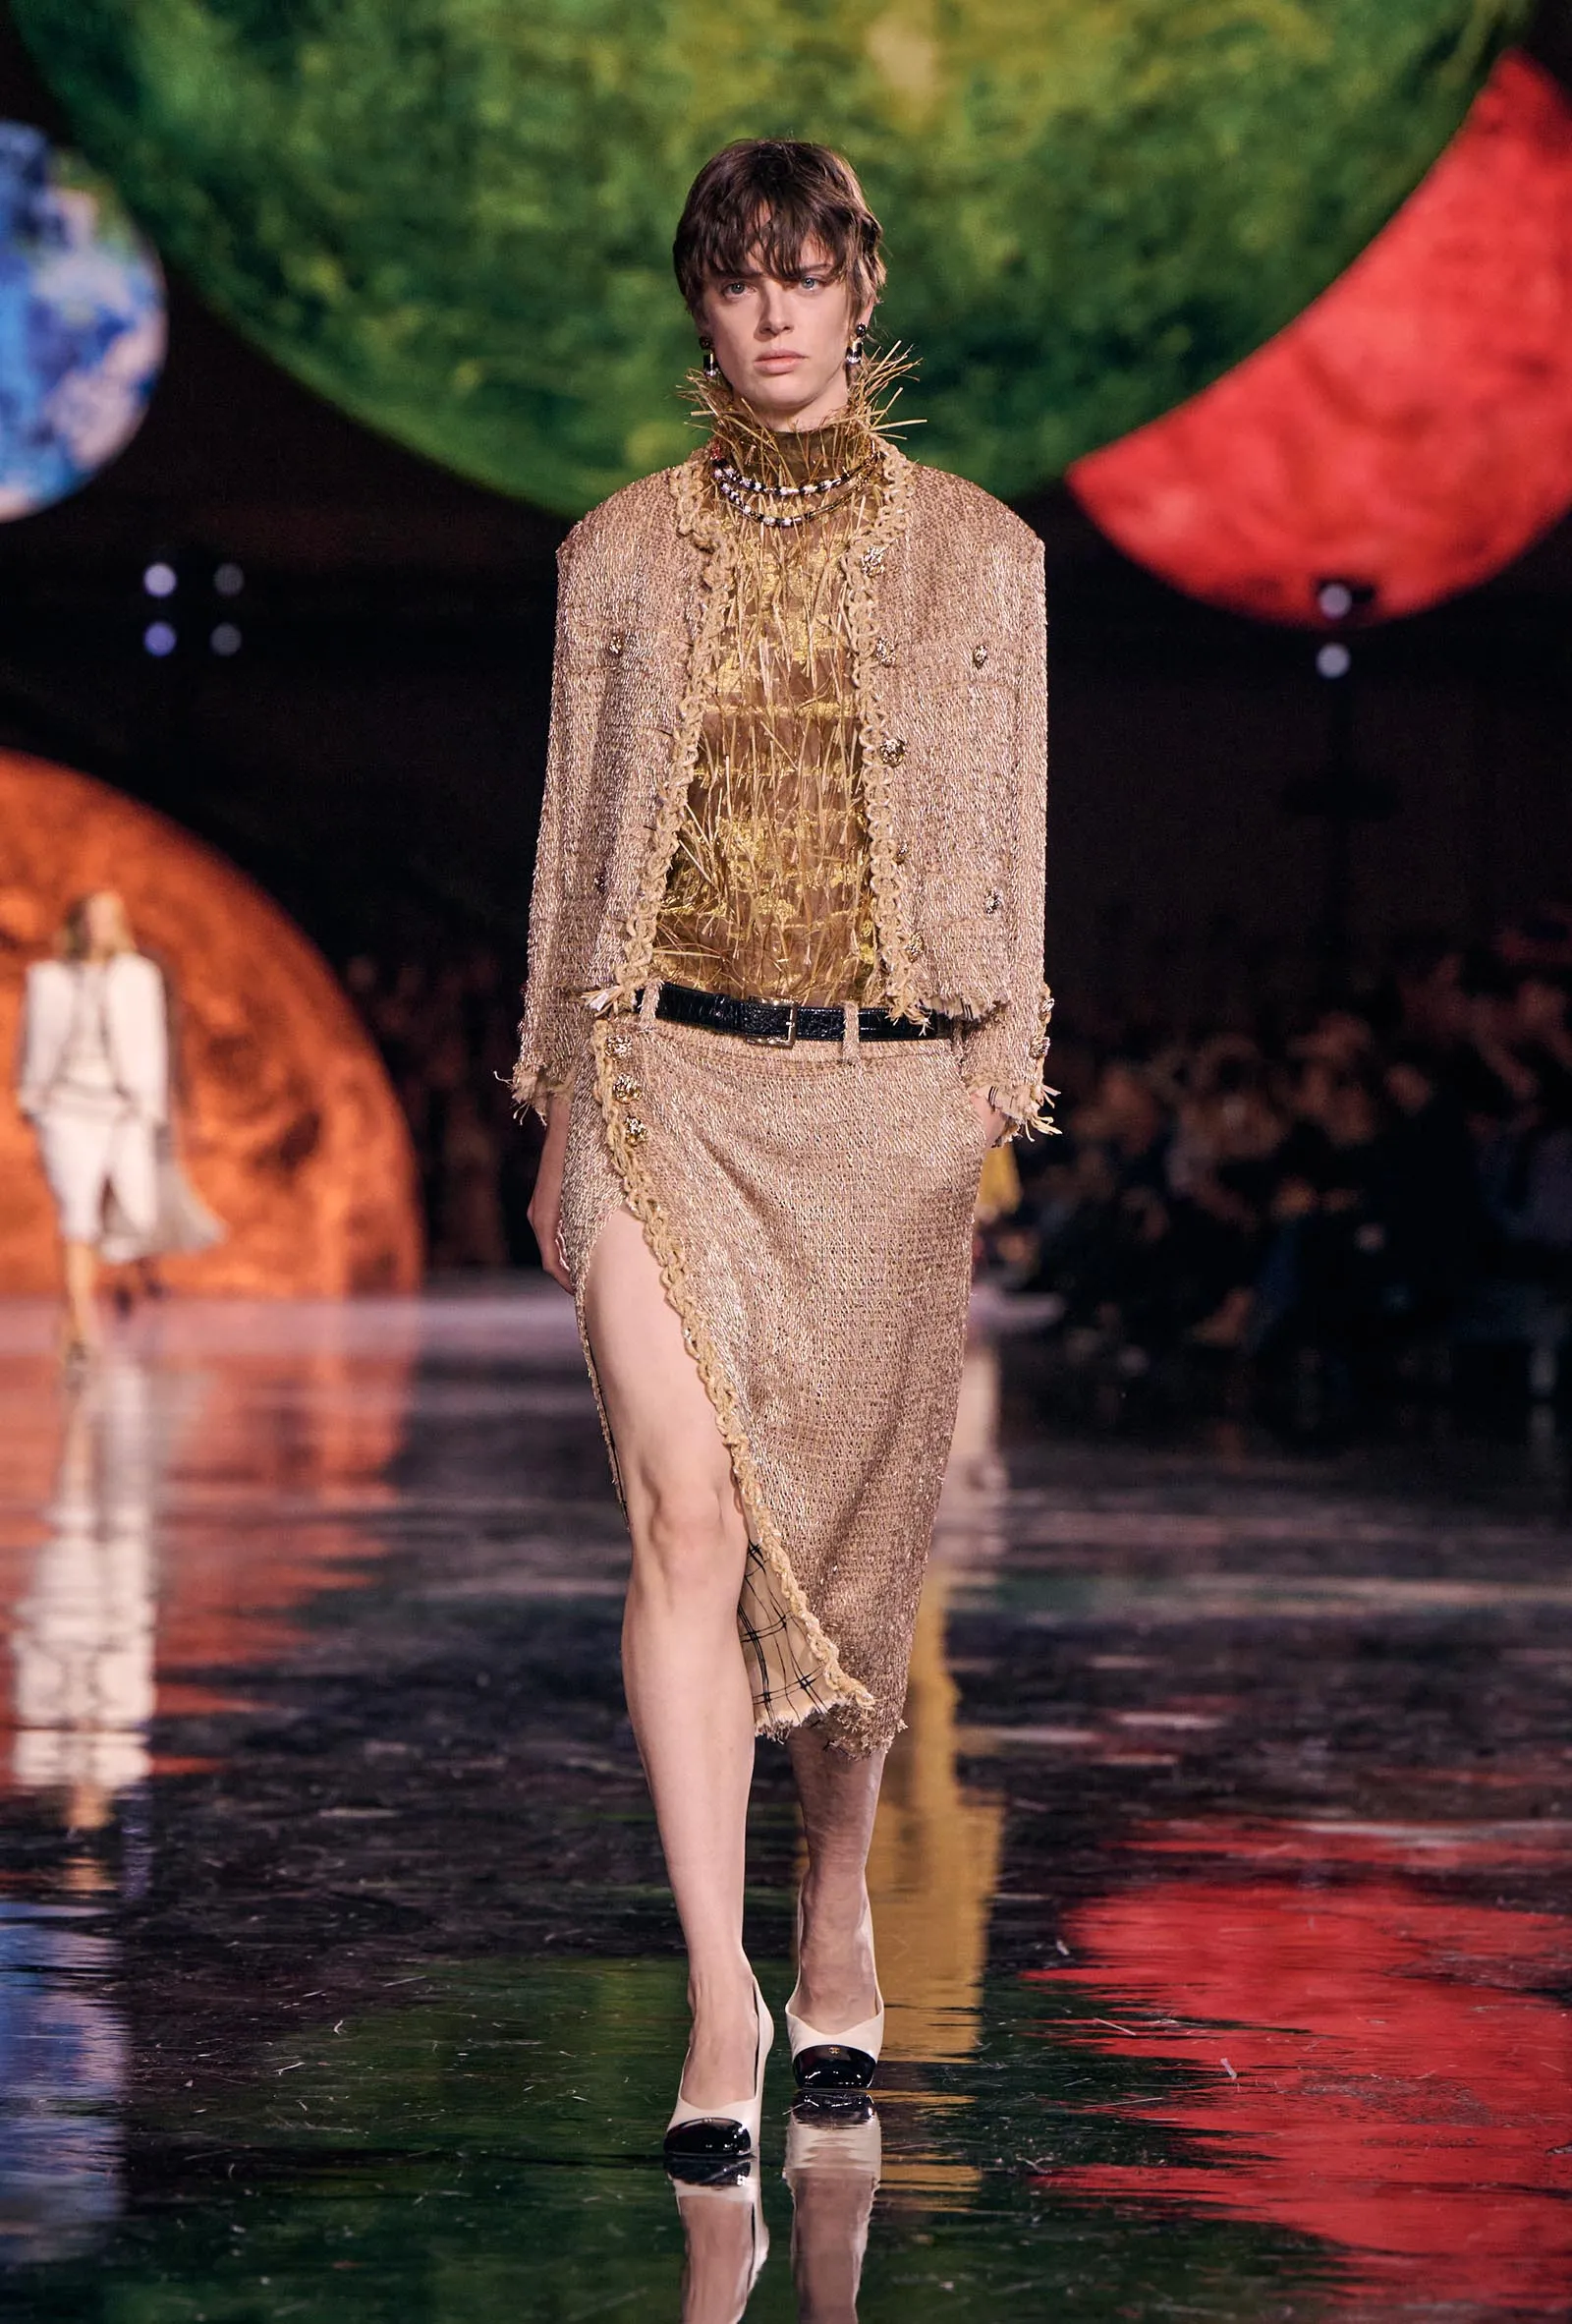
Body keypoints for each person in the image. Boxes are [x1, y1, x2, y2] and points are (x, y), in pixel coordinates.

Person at [516, 140, 1051, 2170]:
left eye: (804, 271)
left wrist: (990, 1085)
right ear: (699, 299)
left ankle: (833, 1895)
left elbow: (1012, 835)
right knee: (685, 1524)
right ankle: (719, 1991)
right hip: (662, 1080)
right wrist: (558, 1100)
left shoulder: (986, 557)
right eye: (737, 275)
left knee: (846, 1565)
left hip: (884, 1109)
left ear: (860, 287)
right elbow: (575, 837)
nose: (770, 311)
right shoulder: (613, 557)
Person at [17, 892, 168, 1360]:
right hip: (65, 1106)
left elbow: (153, 1043)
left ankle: (82, 1306)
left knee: (127, 1210)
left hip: (122, 1108)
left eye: (107, 919)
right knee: (76, 1208)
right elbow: (30, 1042)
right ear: (75, 925)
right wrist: (33, 1099)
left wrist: (151, 1106)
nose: (97, 927)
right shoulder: (48, 979)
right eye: (90, 918)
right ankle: (81, 1318)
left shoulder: (140, 978)